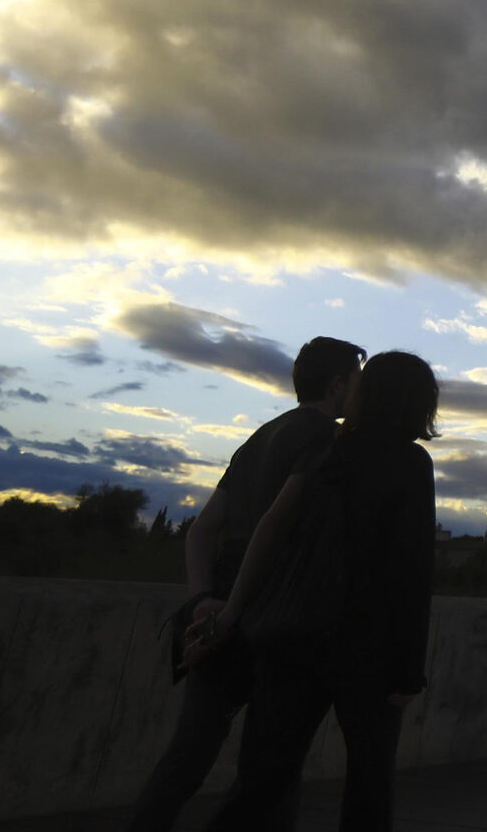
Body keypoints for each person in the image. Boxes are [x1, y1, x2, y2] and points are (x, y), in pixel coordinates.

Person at [126, 336, 364, 832]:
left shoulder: (260, 437)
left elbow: (202, 531)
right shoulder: (325, 440)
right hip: (277, 615)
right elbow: (275, 529)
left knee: (186, 760)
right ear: (339, 384)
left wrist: (202, 599)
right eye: (356, 380)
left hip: (224, 610)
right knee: (273, 771)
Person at [193, 350, 439, 830]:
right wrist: (409, 669)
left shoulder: (327, 449)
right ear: (419, 403)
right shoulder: (410, 463)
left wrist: (233, 613)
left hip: (292, 635)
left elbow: (270, 529)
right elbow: (410, 571)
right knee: (369, 786)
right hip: (367, 650)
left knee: (260, 782)